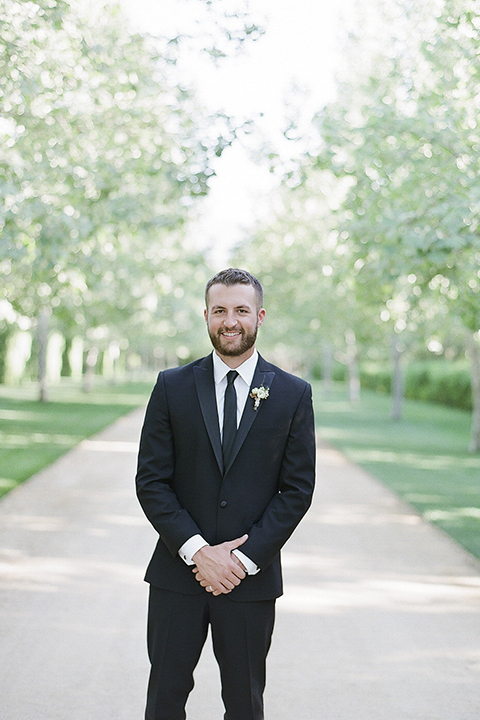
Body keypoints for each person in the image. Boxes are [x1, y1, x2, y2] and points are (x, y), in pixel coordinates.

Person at [136, 267, 316, 720]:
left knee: (244, 701)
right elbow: (151, 480)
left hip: (250, 580)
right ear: (206, 316)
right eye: (220, 310)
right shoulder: (171, 386)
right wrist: (199, 552)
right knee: (164, 699)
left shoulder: (293, 394)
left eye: (240, 310)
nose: (230, 320)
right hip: (178, 576)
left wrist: (240, 559)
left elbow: (297, 490)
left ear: (260, 316)